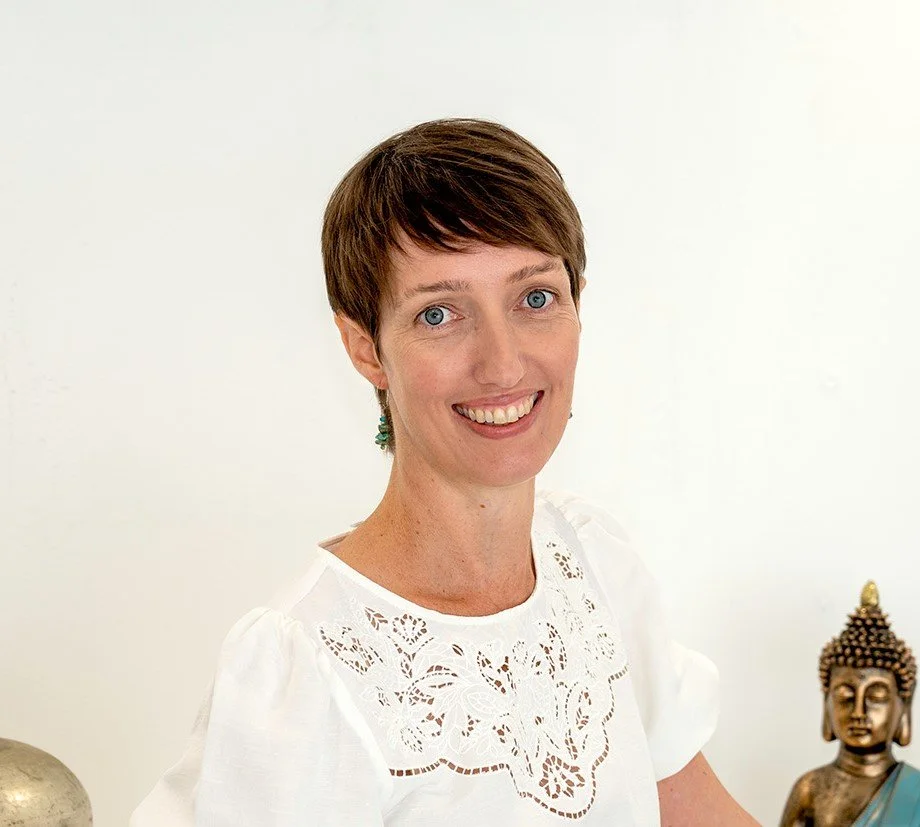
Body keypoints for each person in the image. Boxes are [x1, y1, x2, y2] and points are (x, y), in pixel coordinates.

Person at [131, 118, 756, 825]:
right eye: (438, 313)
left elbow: (698, 811)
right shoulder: (305, 668)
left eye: (536, 298)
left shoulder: (594, 564)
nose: (504, 363)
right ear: (365, 348)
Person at [780, 582, 920, 826]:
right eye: (845, 696)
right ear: (827, 703)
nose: (859, 712)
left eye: (876, 697)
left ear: (904, 705)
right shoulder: (811, 790)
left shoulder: (914, 793)